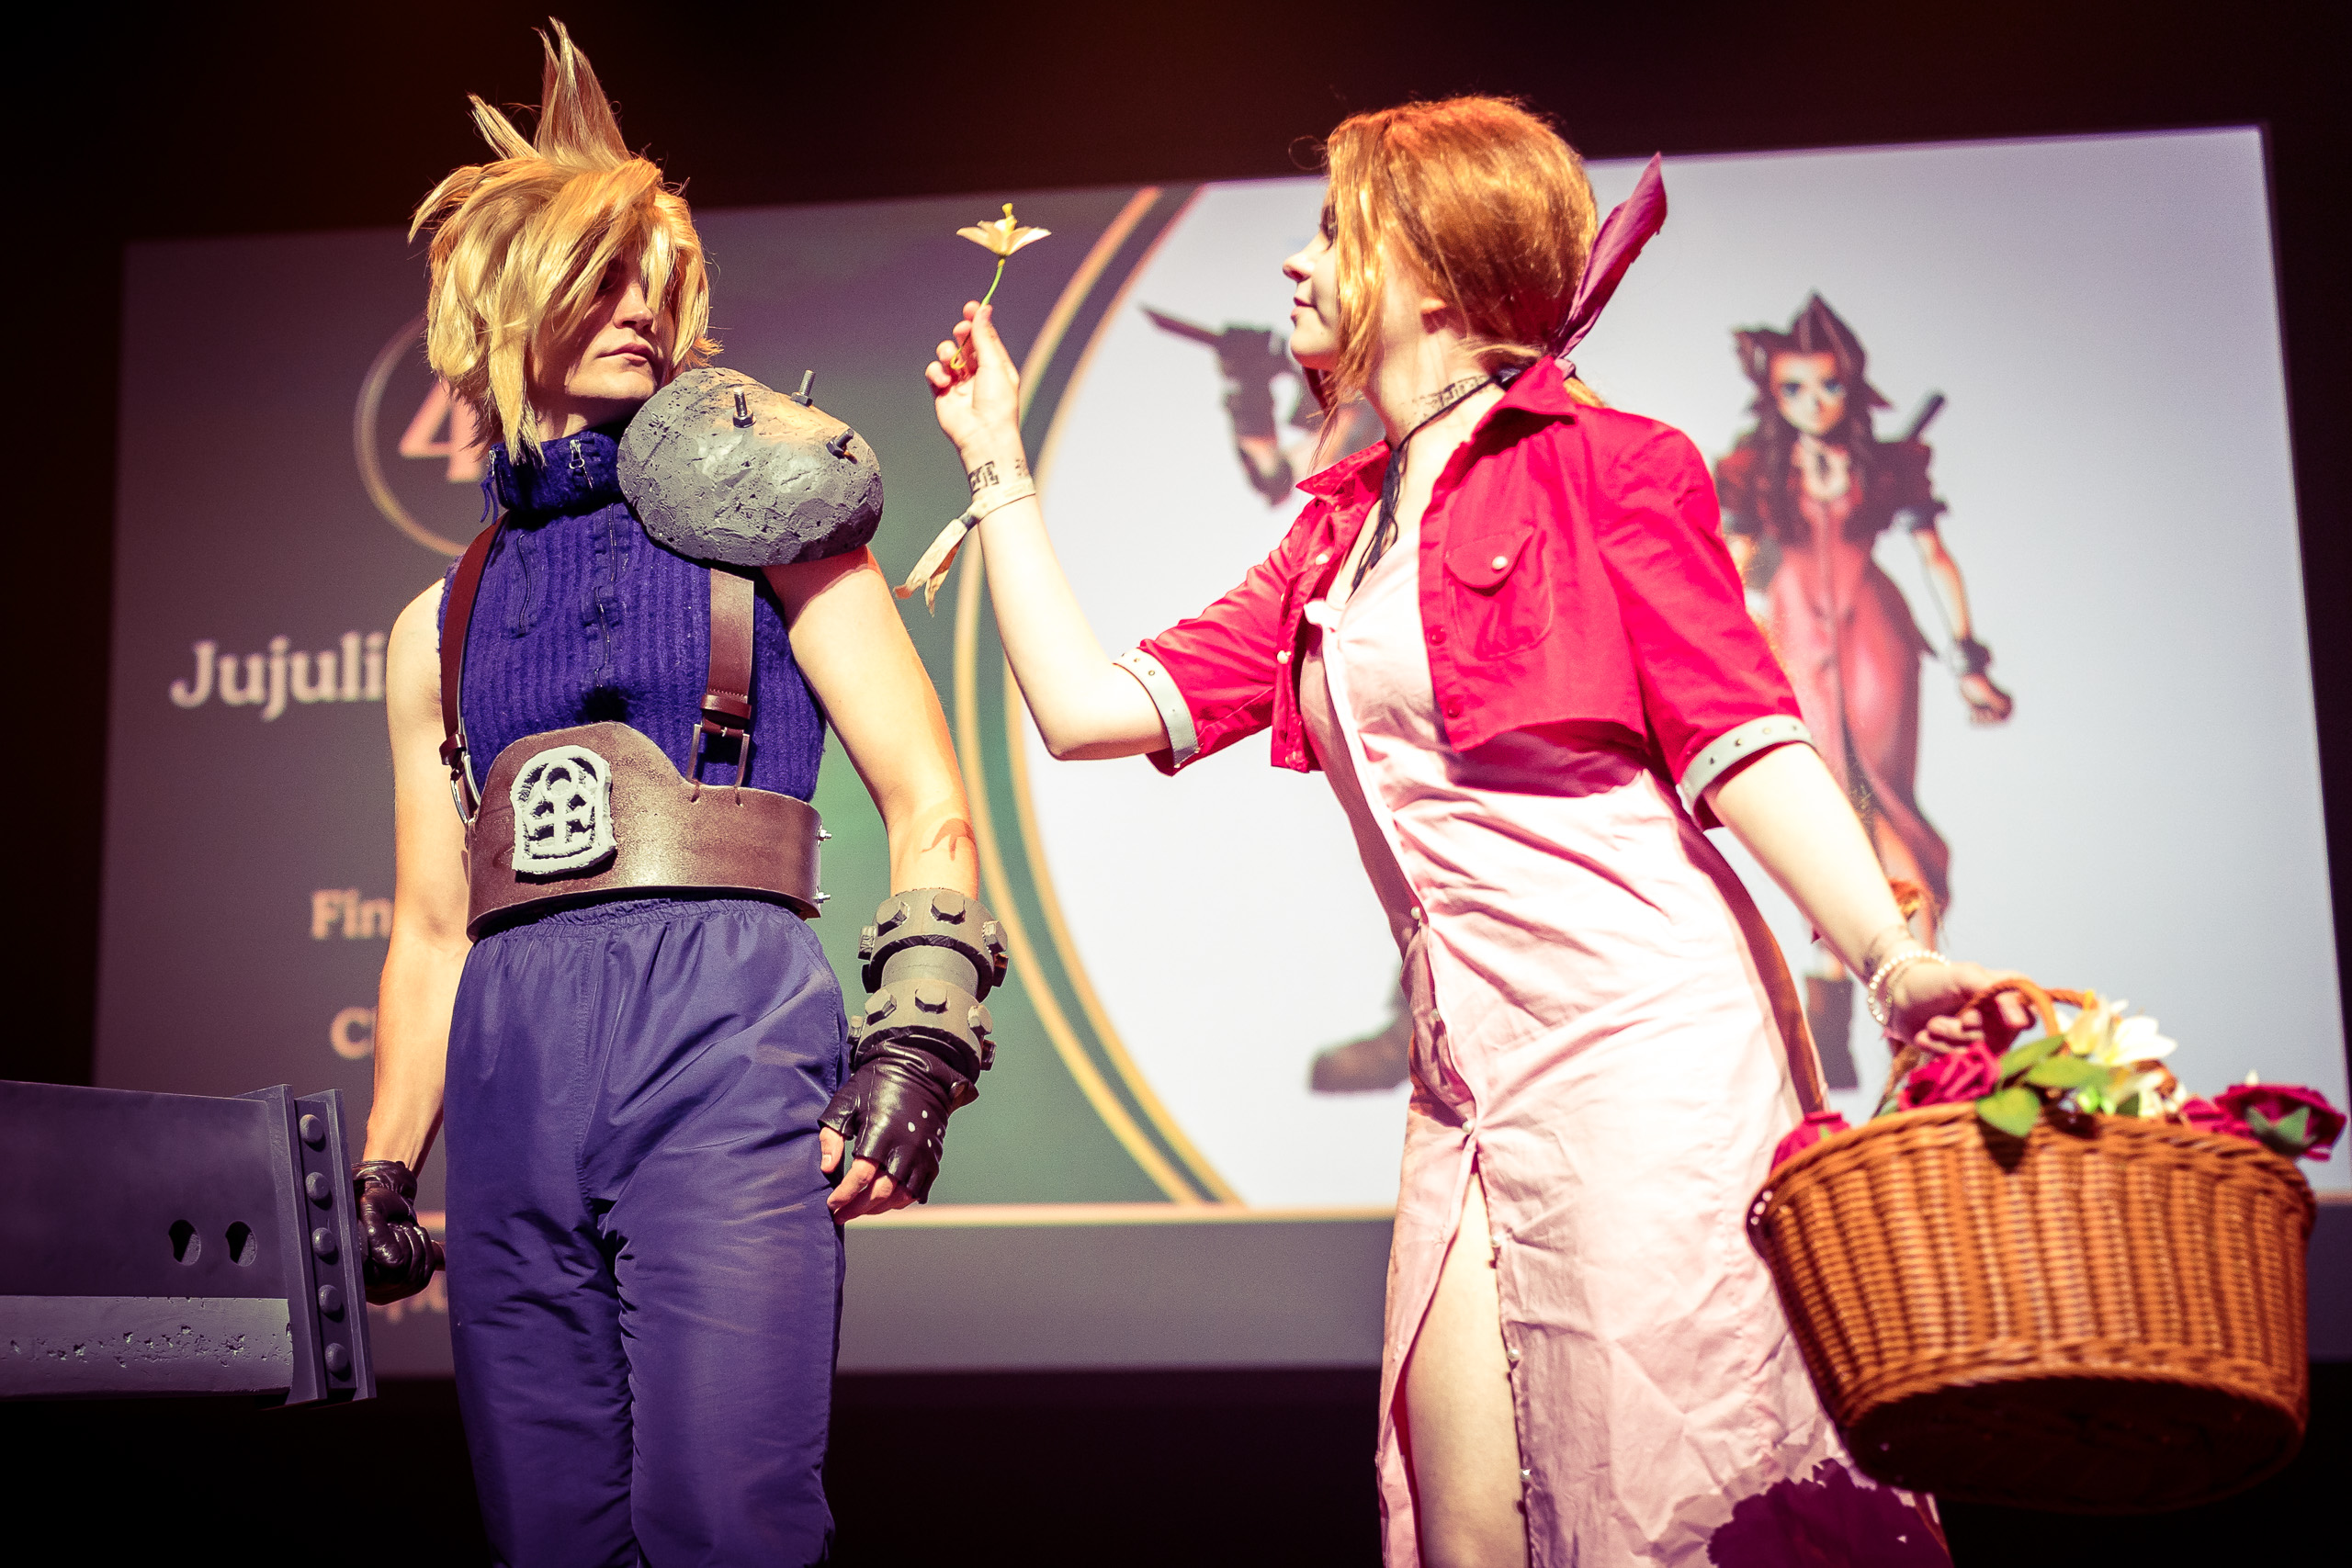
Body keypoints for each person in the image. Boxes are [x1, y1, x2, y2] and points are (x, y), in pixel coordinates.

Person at [923, 98, 2021, 1566]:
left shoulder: (1607, 462)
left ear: (1435, 274)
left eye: (1333, 231)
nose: (1298, 264)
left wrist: (1890, 955)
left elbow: (1745, 733)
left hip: (1644, 1044)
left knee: (1653, 1509)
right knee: (1464, 1532)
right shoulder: (1335, 535)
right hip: (1466, 1087)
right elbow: (1079, 708)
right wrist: (996, 462)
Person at [354, 26, 1001, 1564]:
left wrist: (921, 1037)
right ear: (502, 300)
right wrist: (384, 1163)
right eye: (604, 275)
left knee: (727, 1517)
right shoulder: (433, 623)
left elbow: (931, 797)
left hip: (723, 1037)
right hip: (511, 1070)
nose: (644, 308)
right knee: (548, 1535)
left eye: (661, 280)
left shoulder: (784, 534)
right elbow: (432, 931)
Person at [1714, 296, 2013, 1083]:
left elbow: (1935, 556)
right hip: (1792, 641)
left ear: (1852, 385)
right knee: (1821, 803)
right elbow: (1730, 566)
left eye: (1829, 385)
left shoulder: (1885, 464)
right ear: (1772, 394)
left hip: (1873, 636)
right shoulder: (1755, 469)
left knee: (1883, 802)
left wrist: (1969, 660)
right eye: (1794, 388)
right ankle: (1842, 1005)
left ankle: (1910, 1003)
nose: (1814, 403)